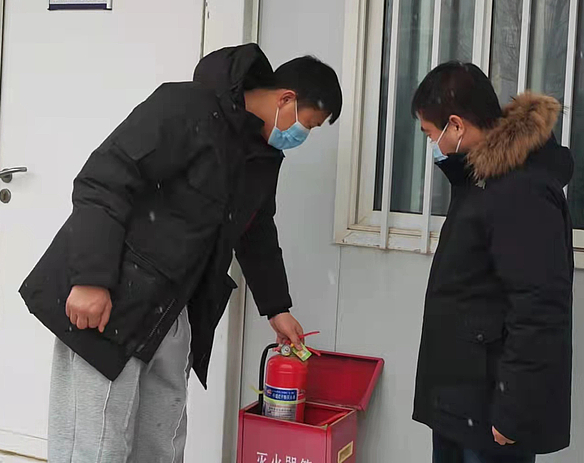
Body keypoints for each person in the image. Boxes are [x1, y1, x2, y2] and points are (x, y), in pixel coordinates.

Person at [19, 43, 342, 463]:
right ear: (286, 99)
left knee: (160, 445)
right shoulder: (186, 108)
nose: (301, 136)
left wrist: (276, 307)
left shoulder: (262, 156)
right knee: (95, 445)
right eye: (307, 124)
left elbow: (256, 231)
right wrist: (91, 280)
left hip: (176, 310)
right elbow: (103, 180)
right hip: (112, 301)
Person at [411, 62, 574, 463]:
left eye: (430, 134)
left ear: (456, 125)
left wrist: (514, 407)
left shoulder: (521, 189)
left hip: (490, 410)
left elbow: (538, 306)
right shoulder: (481, 180)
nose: (432, 144)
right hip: (461, 400)